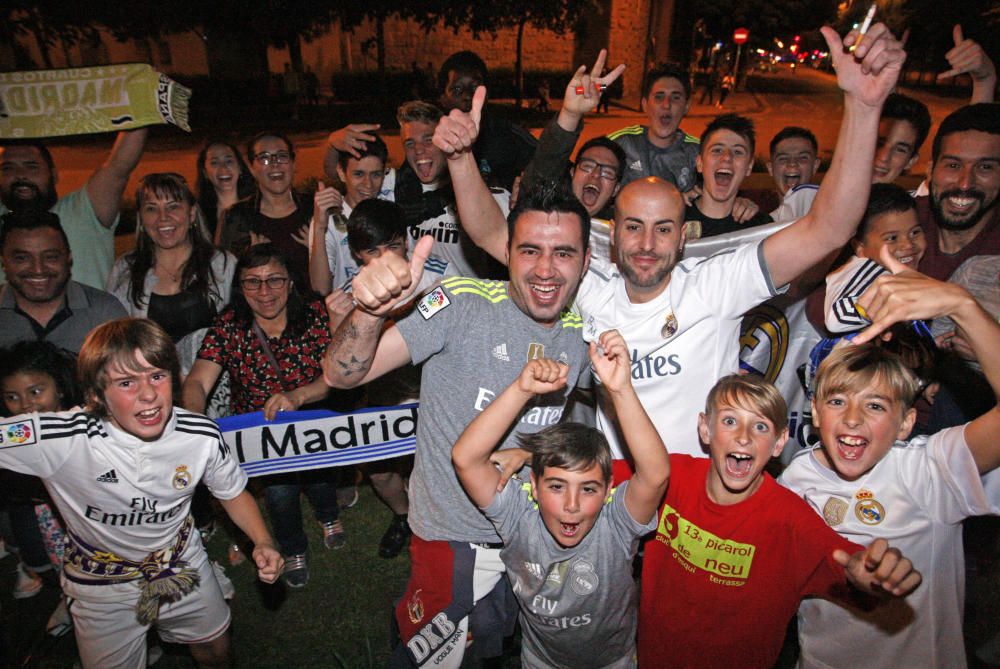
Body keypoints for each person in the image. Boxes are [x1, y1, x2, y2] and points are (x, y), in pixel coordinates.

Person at [433, 21, 906, 461]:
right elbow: (493, 233)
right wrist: (459, 159)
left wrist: (863, 110)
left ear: (683, 238)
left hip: (695, 499)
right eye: (633, 226)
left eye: (662, 230)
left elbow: (829, 229)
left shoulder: (715, 286)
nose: (645, 243)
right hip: (616, 501)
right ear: (613, 235)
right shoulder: (589, 289)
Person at [323, 181, 594, 667]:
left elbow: (562, 427)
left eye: (564, 253)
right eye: (530, 250)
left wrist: (532, 455)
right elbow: (343, 374)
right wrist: (368, 315)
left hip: (533, 533)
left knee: (496, 644)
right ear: (507, 252)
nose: (547, 270)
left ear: (587, 259)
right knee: (436, 655)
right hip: (453, 536)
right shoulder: (460, 302)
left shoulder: (583, 333)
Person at [0, 318, 282, 668]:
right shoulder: (60, 439)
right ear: (94, 394)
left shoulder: (200, 436)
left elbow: (233, 492)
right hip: (101, 586)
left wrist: (263, 540)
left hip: (181, 564)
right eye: (126, 382)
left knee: (215, 650)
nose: (148, 394)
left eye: (157, 376)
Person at [779, 262, 1000, 669]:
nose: (853, 418)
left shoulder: (931, 469)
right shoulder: (794, 481)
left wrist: (964, 305)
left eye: (875, 405)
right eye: (837, 400)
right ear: (814, 410)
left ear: (905, 423)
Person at [638, 374, 922, 668]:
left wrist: (870, 571)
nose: (744, 437)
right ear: (704, 428)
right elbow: (599, 479)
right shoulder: (671, 477)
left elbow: (848, 560)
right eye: (730, 421)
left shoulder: (789, 520)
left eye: (760, 426)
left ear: (779, 442)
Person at [451, 330, 669, 669]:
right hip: (541, 661)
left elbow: (655, 475)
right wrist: (521, 389)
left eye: (588, 488)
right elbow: (466, 458)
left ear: (610, 489)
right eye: (556, 487)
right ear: (533, 487)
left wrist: (620, 389)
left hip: (614, 661)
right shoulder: (517, 518)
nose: (571, 504)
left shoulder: (616, 525)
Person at [182, 244, 344, 588]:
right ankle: (293, 548)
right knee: (280, 494)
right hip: (262, 436)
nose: (264, 291)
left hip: (313, 423)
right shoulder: (229, 326)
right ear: (240, 288)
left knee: (320, 478)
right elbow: (197, 380)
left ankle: (329, 516)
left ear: (290, 283)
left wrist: (298, 396)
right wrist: (193, 421)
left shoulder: (315, 316)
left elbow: (338, 377)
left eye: (274, 280)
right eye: (252, 282)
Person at [329, 198, 456, 558]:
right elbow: (339, 364)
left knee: (436, 473)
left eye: (393, 247)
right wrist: (338, 321)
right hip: (383, 396)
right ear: (356, 254)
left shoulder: (439, 276)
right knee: (380, 474)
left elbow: (441, 324)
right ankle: (403, 516)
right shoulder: (350, 290)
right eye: (372, 251)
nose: (384, 259)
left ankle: (438, 529)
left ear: (408, 241)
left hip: (432, 393)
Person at [0, 129, 148, 289]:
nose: (20, 175)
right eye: (8, 168)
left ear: (54, 175)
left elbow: (119, 166)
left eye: (32, 166)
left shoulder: (83, 210)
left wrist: (138, 109)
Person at [0, 340, 78, 634]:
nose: (26, 405)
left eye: (35, 391)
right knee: (65, 571)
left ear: (58, 387)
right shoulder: (16, 433)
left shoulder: (82, 422)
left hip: (96, 519)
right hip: (51, 522)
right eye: (12, 397)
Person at [106, 173, 236, 343]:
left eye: (173, 206)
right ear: (141, 218)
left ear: (191, 213)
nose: (163, 217)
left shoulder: (222, 264)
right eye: (151, 208)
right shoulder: (125, 269)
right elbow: (115, 339)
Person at [0, 210, 127, 353]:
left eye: (51, 257)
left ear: (69, 258)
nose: (38, 269)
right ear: (4, 262)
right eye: (22, 258)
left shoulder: (104, 313)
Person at [916, 102, 1000, 280]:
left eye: (985, 167)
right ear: (930, 170)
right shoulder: (897, 219)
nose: (965, 184)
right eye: (953, 165)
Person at [216, 131, 311, 287]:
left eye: (282, 156)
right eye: (264, 158)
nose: (275, 164)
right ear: (252, 167)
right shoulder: (236, 217)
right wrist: (248, 259)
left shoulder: (315, 210)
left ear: (293, 163)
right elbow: (223, 278)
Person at [436, 50, 537, 190]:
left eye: (475, 88)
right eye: (457, 89)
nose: (467, 96)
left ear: (486, 94)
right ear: (443, 99)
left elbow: (553, 166)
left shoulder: (509, 136)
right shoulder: (431, 142)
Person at [309, 134, 392, 296]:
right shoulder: (328, 219)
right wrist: (319, 227)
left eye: (376, 175)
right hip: (347, 314)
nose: (368, 184)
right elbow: (320, 288)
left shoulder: (390, 204)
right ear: (341, 173)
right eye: (358, 174)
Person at [608, 63, 700, 192]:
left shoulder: (698, 152)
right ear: (645, 104)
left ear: (686, 106)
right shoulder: (620, 143)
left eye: (675, 98)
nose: (666, 105)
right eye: (659, 97)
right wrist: (572, 113)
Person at [684, 114, 773, 238]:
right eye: (717, 150)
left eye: (737, 152)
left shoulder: (761, 228)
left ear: (749, 167)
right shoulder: (675, 219)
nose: (727, 157)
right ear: (700, 163)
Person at [195, 140, 256, 239]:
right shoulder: (198, 215)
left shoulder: (258, 207)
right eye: (214, 163)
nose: (223, 168)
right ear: (205, 172)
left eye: (229, 161)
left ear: (240, 167)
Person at [766, 126, 821, 207]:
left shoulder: (832, 215)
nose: (792, 163)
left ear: (815, 166)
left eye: (802, 157)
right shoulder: (757, 217)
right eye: (783, 158)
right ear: (770, 168)